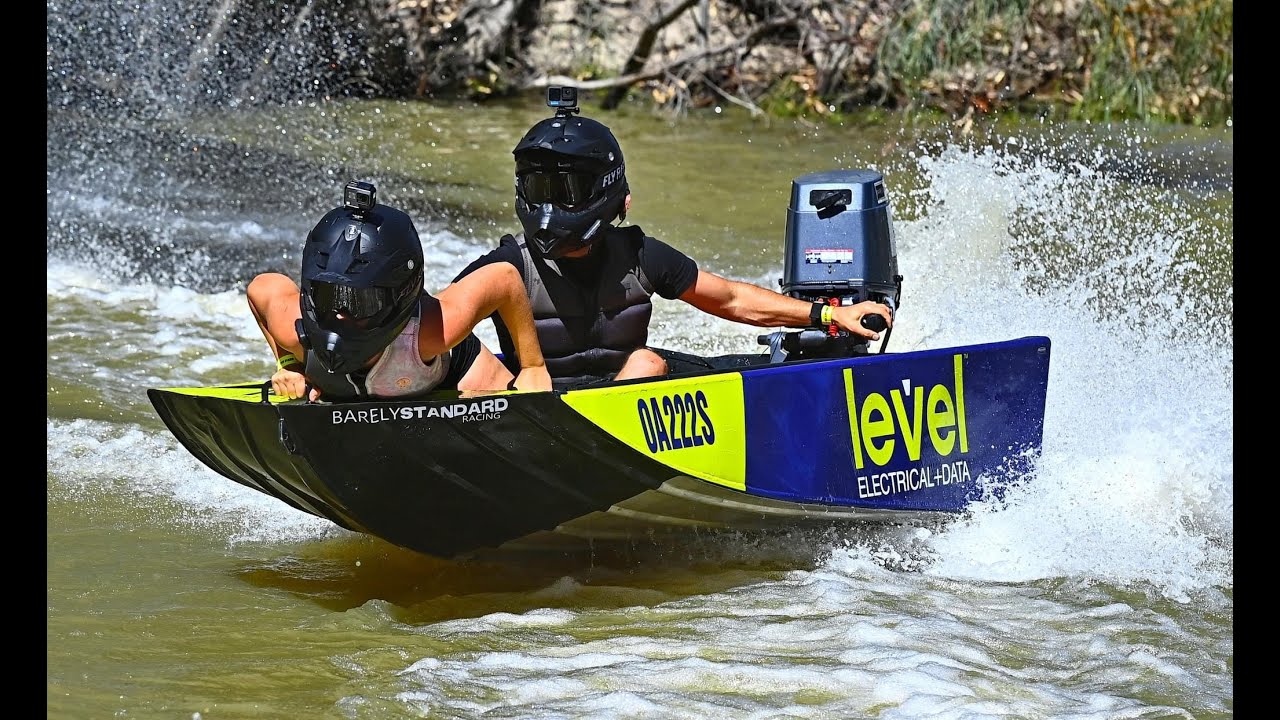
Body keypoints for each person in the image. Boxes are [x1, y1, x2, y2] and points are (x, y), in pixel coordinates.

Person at [451, 95, 894, 387]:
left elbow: (731, 299)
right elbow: (432, 325)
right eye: (538, 189)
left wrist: (831, 315)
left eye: (564, 191)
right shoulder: (508, 266)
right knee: (473, 374)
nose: (550, 208)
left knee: (648, 362)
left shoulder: (641, 256)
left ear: (609, 196)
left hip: (623, 410)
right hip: (532, 408)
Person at [248, 181, 551, 402]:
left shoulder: (432, 334)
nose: (340, 312)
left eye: (360, 302)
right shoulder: (294, 332)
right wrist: (290, 364)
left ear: (398, 300)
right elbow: (260, 289)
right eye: (328, 297)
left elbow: (505, 279)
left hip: (452, 371)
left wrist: (532, 367)